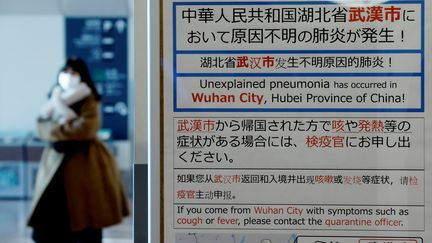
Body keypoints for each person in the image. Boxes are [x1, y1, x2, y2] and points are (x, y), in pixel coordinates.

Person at [28, 57, 130, 243]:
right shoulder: (54, 99)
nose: (68, 76)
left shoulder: (89, 98)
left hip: (85, 163)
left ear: (82, 76)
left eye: (74, 73)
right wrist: (65, 127)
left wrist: (56, 131)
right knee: (49, 219)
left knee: (85, 215)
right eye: (65, 72)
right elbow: (40, 125)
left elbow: (87, 128)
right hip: (55, 164)